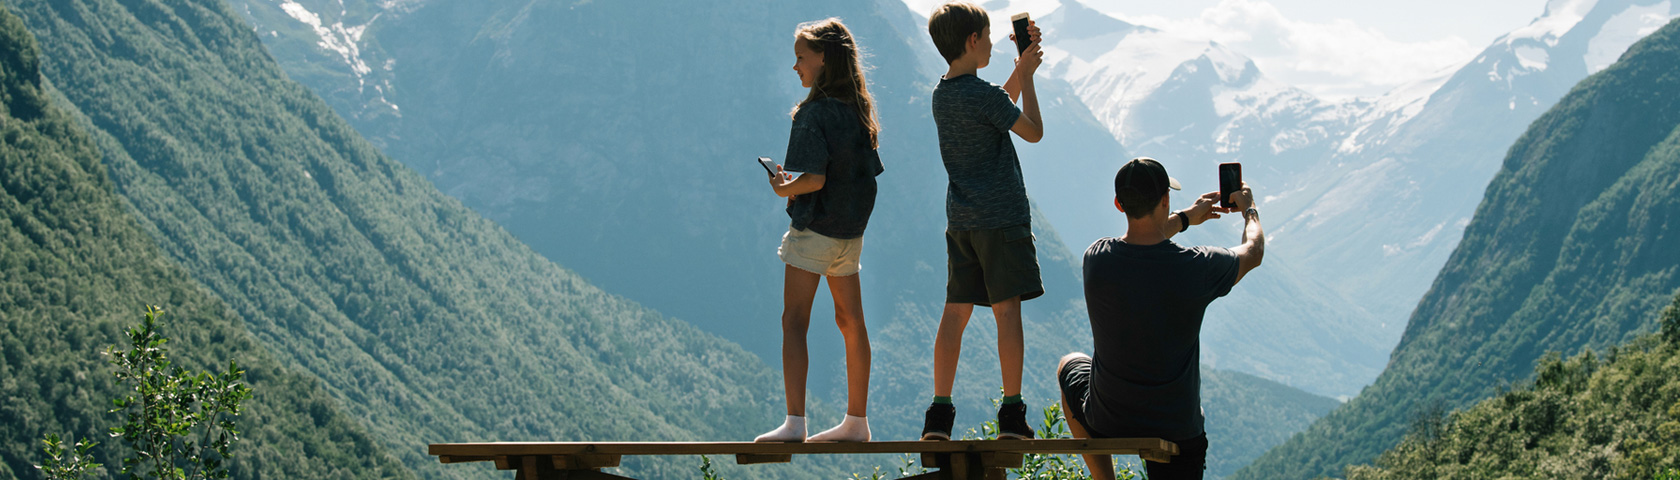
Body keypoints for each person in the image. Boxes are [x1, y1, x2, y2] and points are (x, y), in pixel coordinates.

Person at [1055, 157, 1264, 479]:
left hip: (1107, 418)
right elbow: (1253, 250)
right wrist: (1249, 209)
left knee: (1069, 362)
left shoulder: (1096, 258)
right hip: (1176, 427)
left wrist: (1184, 219)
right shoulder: (1198, 267)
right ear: (1165, 199)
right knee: (1192, 424)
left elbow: (1142, 243)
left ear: (1118, 203)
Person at [918, 1, 1047, 441]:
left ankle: (938, 416)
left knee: (955, 312)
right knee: (1006, 311)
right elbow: (1032, 129)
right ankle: (1012, 415)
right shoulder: (984, 96)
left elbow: (994, 104)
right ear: (973, 41)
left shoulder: (943, 95)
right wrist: (1027, 76)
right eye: (988, 37)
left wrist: (1017, 69)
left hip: (962, 221)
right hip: (1002, 220)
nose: (992, 43)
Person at [754, 18, 885, 444]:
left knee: (794, 321)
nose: (795, 66)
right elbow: (860, 173)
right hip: (850, 235)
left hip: (814, 233)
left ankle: (794, 424)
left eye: (800, 57)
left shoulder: (812, 114)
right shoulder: (858, 110)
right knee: (852, 323)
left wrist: (781, 188)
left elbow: (814, 179)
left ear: (823, 59)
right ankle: (857, 422)